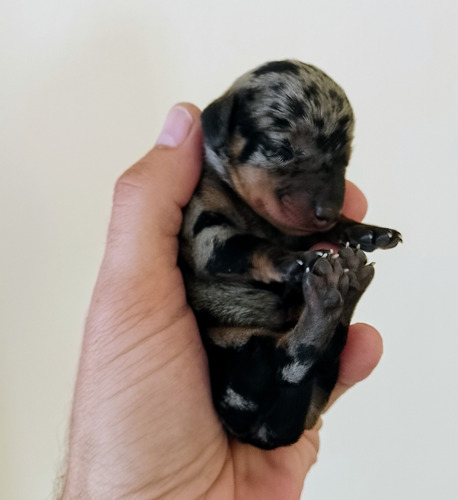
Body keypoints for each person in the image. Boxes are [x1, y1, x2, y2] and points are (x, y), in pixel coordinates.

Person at [59, 104, 383, 500]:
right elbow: (214, 251)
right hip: (233, 346)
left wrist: (345, 231)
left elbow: (303, 232)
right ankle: (319, 325)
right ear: (224, 132)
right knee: (273, 394)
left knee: (297, 408)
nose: (326, 200)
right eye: (285, 152)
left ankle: (321, 322)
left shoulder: (272, 202)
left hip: (275, 356)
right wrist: (288, 267)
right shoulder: (213, 194)